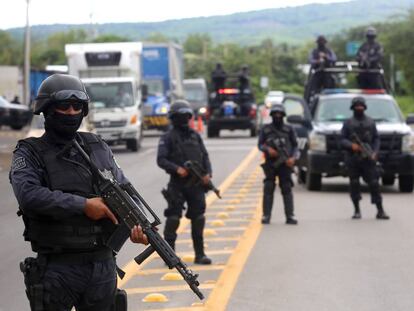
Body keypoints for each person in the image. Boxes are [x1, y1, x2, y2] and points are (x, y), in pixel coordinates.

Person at [9, 73, 148, 311]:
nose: (72, 112)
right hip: (57, 268)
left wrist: (138, 226)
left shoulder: (97, 146)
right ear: (47, 109)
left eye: (77, 106)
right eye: (65, 106)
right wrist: (83, 205)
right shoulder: (29, 152)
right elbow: (29, 196)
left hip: (102, 266)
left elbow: (126, 191)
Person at [157, 100, 212, 265]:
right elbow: (161, 159)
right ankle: (169, 256)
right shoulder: (167, 137)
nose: (184, 119)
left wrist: (208, 174)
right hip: (178, 184)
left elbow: (205, 156)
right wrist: (176, 169)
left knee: (199, 218)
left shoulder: (195, 136)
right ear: (173, 117)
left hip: (196, 184)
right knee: (173, 218)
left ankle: (200, 254)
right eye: (180, 116)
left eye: (186, 116)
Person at [341, 96, 389, 220]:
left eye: (361, 106)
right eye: (357, 106)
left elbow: (376, 138)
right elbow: (342, 140)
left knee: (374, 183)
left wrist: (375, 152)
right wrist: (351, 146)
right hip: (353, 158)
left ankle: (380, 210)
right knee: (354, 183)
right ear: (353, 108)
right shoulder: (348, 123)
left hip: (368, 158)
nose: (359, 108)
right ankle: (357, 210)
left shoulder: (370, 122)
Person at [258, 104, 299, 225]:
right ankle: (266, 215)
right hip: (271, 163)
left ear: (283, 115)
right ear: (271, 115)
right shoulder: (266, 129)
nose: (277, 116)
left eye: (279, 114)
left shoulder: (289, 129)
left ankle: (290, 215)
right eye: (275, 114)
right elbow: (260, 144)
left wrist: (293, 158)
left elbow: (296, 145)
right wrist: (267, 150)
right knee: (268, 187)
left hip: (285, 164)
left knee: (286, 188)